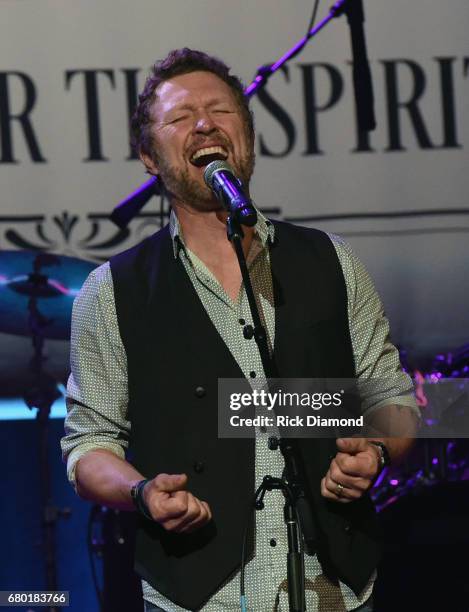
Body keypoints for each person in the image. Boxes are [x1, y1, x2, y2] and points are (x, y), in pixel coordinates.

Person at [61, 48, 419, 612]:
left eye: (221, 111)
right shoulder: (113, 290)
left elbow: (392, 397)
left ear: (247, 136)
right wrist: (142, 492)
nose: (204, 123)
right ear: (149, 157)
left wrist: (373, 449)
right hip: (201, 595)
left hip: (338, 588)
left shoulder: (331, 260)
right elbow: (89, 446)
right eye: (180, 117)